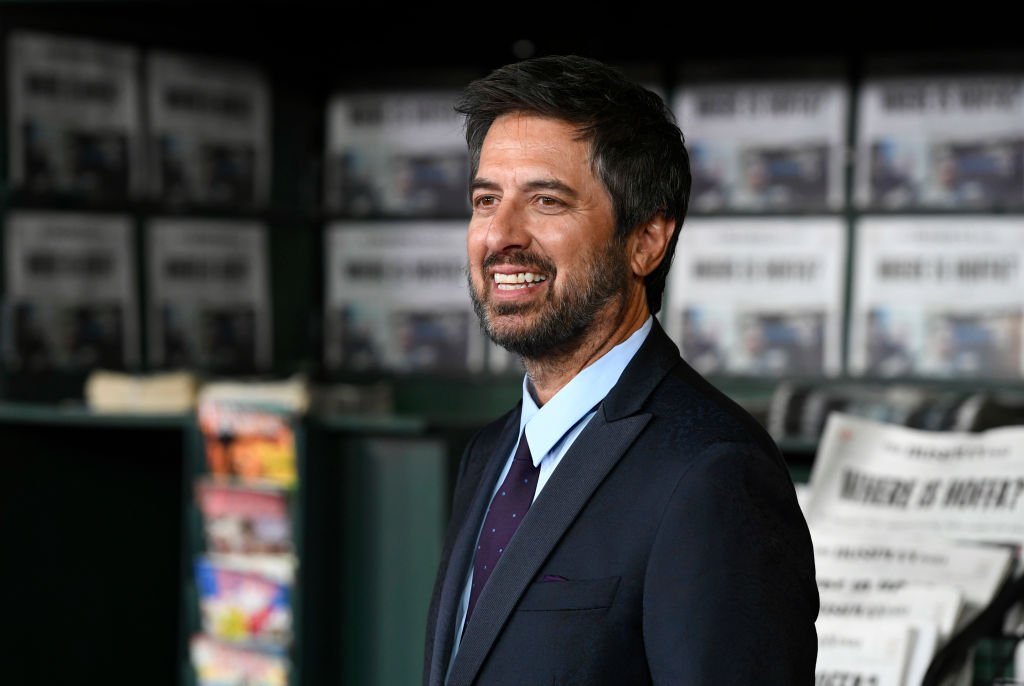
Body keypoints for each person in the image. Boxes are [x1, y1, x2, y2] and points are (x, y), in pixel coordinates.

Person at [423, 54, 818, 686]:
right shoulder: (490, 454)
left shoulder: (715, 473)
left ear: (645, 242)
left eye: (546, 201)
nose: (500, 234)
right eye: (485, 199)